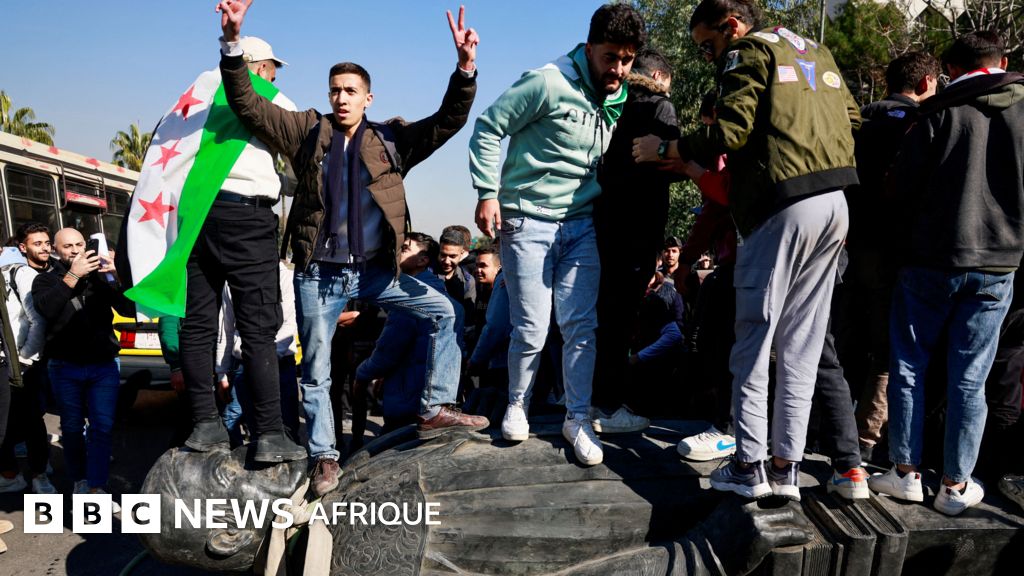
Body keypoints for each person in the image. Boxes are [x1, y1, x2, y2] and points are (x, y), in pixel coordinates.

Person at [215, 0, 487, 495]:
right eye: (334, 90)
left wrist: (465, 69)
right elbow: (248, 103)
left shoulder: (391, 140)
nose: (341, 98)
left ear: (368, 97)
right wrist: (233, 43)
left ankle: (434, 408)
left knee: (445, 312)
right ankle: (324, 457)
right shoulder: (306, 130)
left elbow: (446, 121)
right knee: (316, 370)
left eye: (350, 91)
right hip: (319, 275)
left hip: (375, 273)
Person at [634, 0, 858, 499]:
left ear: (732, 26)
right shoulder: (816, 51)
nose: (709, 57)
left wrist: (667, 149)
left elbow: (729, 131)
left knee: (753, 344)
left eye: (708, 46)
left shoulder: (749, 51)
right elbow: (852, 119)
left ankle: (748, 466)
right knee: (802, 347)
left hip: (781, 207)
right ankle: (784, 470)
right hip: (836, 203)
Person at [470, 3, 647, 465]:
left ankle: (578, 417)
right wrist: (487, 193)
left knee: (581, 326)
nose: (618, 69)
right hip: (527, 219)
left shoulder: (617, 94)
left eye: (627, 60)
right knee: (531, 326)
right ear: (588, 49)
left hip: (580, 223)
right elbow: (488, 127)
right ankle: (518, 403)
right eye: (610, 57)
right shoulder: (546, 82)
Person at [868, 31, 1024, 516]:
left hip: (931, 258)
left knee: (909, 366)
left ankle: (904, 473)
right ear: (1003, 62)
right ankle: (956, 486)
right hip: (999, 262)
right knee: (971, 378)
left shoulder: (938, 112)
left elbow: (899, 189)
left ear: (952, 70)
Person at [172, 27, 305, 463]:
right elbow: (300, 152)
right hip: (246, 218)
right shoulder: (268, 96)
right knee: (258, 328)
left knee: (198, 324)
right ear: (261, 69)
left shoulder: (194, 97)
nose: (274, 80)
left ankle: (204, 425)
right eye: (272, 72)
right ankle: (269, 433)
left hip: (195, 215)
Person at [838, 52, 939, 464]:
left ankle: (830, 428)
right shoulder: (923, 124)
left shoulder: (858, 120)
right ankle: (865, 438)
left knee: (844, 342)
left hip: (847, 243)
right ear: (925, 83)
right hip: (895, 250)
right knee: (887, 349)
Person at [592, 47, 680, 435]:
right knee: (622, 320)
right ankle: (609, 406)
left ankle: (588, 397)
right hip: (639, 228)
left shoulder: (612, 104)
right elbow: (672, 161)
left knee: (600, 316)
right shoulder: (660, 107)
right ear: (659, 77)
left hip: (603, 223)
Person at [32, 228, 133, 512]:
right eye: (68, 246)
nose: (75, 250)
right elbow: (47, 309)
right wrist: (73, 276)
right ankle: (79, 480)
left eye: (79, 244)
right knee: (73, 428)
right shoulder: (46, 279)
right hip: (65, 367)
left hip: (103, 365)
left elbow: (128, 308)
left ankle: (96, 486)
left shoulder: (99, 277)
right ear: (55, 249)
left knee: (101, 428)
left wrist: (116, 276)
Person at [352, 233, 465, 458]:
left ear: (423, 260)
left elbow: (387, 352)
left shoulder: (410, 298)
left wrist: (362, 372)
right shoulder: (445, 298)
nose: (397, 252)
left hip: (407, 399)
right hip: (434, 402)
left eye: (404, 248)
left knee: (388, 459)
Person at [215, 261, 299, 448]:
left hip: (279, 363)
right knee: (240, 424)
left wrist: (264, 359)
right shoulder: (233, 278)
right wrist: (221, 373)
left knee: (287, 428)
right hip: (243, 363)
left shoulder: (283, 275)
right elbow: (226, 328)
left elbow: (289, 325)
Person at [0, 223, 56, 495]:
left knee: (31, 419)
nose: (44, 248)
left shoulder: (19, 274)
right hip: (5, 362)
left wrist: (25, 358)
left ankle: (39, 475)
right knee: (8, 423)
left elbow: (38, 320)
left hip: (22, 363)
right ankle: (10, 474)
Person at [437, 227, 476, 327]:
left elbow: (468, 317)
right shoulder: (427, 275)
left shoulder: (467, 281)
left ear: (461, 254)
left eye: (452, 256)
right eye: (443, 255)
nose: (446, 261)